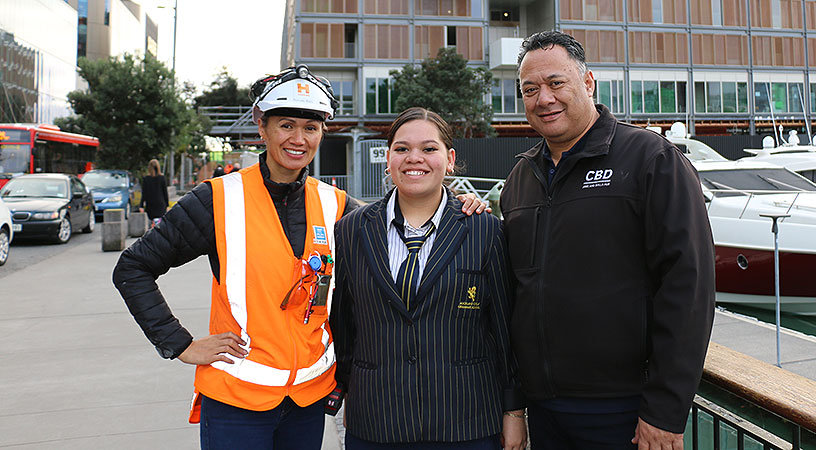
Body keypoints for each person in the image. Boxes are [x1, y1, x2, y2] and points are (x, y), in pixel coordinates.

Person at [113, 66, 487, 450]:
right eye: (286, 125)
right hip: (237, 401)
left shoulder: (337, 205)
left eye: (310, 128)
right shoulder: (217, 199)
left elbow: (404, 215)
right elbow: (133, 268)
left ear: (322, 133)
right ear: (263, 128)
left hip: (308, 399)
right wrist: (180, 343)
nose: (298, 138)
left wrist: (461, 207)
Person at [500, 31, 716, 450]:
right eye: (530, 89)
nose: (543, 98)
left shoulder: (651, 159)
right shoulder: (520, 178)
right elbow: (514, 291)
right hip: (544, 410)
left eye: (555, 83)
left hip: (625, 411)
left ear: (588, 83)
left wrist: (665, 409)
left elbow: (689, 287)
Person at [330, 107, 527, 450]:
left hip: (467, 421)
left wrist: (514, 411)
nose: (414, 158)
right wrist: (348, 393)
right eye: (402, 148)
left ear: (450, 159)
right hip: (377, 419)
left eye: (429, 149)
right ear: (388, 159)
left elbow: (504, 328)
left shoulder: (484, 229)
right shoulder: (351, 230)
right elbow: (345, 324)